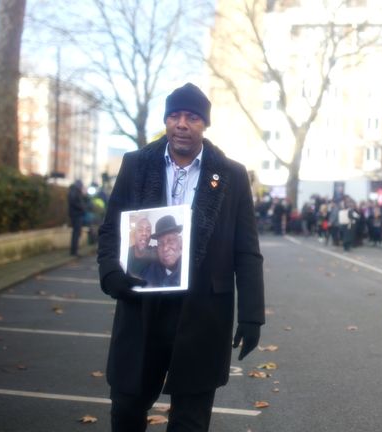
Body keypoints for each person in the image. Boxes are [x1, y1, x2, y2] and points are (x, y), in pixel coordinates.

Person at [97, 82, 265, 432]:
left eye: (192, 117)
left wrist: (252, 316)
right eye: (175, 115)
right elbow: (112, 228)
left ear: (204, 124)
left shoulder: (231, 174)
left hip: (203, 311)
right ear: (166, 121)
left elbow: (246, 250)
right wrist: (111, 274)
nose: (182, 123)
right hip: (142, 304)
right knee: (127, 408)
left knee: (190, 419)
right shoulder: (136, 164)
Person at [140, 215, 183, 287]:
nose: (165, 248)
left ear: (180, 242)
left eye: (170, 241)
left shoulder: (191, 270)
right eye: (160, 243)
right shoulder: (147, 273)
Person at [68, 179, 86, 256]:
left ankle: (74, 250)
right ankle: (74, 251)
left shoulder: (74, 191)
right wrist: (82, 207)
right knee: (76, 233)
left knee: (76, 233)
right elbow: (74, 202)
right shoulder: (74, 192)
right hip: (76, 215)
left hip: (76, 214)